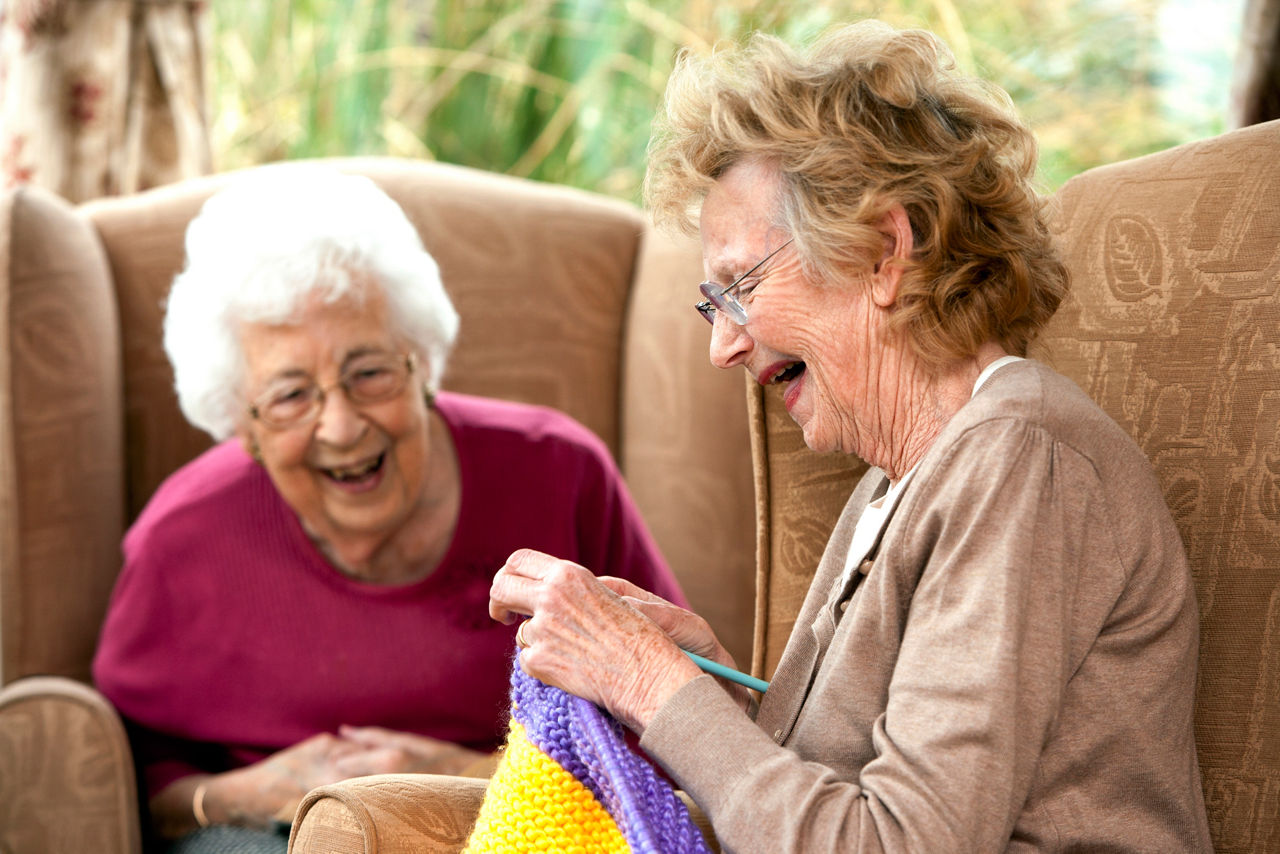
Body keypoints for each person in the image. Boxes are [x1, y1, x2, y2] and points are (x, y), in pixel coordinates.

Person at [487, 20, 1214, 852]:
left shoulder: (1021, 462)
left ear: (883, 252)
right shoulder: (900, 480)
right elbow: (856, 791)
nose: (721, 345)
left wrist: (650, 684)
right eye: (711, 304)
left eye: (739, 288)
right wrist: (709, 684)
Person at [91, 164, 688, 853]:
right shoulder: (183, 538)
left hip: (530, 821)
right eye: (290, 396)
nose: (341, 427)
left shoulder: (558, 471)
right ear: (243, 427)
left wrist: (464, 777)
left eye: (369, 373)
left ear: (422, 366)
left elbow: (672, 710)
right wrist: (241, 796)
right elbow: (122, 775)